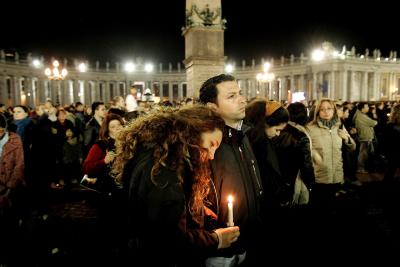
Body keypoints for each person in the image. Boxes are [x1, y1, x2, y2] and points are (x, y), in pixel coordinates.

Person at [113, 105, 240, 266]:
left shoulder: (161, 155)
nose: (212, 155)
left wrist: (198, 211)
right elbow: (167, 239)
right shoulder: (163, 172)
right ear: (192, 133)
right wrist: (216, 239)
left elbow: (166, 210)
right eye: (211, 144)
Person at [199, 74, 264, 265]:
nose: (242, 99)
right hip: (218, 249)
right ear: (213, 107)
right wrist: (214, 238)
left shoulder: (243, 134)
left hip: (247, 240)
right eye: (231, 96)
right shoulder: (204, 143)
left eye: (240, 93)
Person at [306, 98, 355, 212]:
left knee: (335, 209)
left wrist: (347, 138)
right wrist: (313, 154)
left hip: (337, 175)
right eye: (322, 109)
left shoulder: (339, 126)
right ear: (317, 111)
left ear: (334, 110)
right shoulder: (310, 128)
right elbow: (305, 149)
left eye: (329, 108)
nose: (326, 112)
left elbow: (353, 147)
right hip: (319, 178)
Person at [0, 113, 25, 263]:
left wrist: (10, 186)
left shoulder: (15, 139)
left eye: (1, 130)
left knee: (10, 225)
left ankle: (11, 255)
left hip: (11, 188)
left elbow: (19, 165)